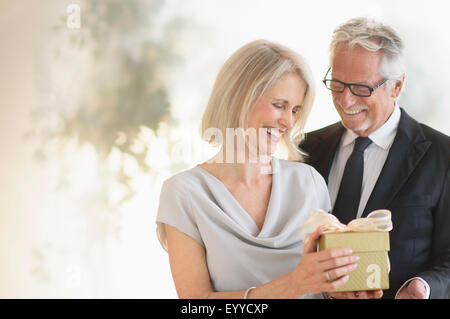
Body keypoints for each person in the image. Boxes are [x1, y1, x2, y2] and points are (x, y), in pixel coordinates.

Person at [156, 40, 360, 299]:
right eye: (279, 105)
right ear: (239, 97)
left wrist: (348, 290)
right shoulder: (184, 193)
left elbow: (327, 286)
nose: (288, 122)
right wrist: (292, 285)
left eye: (295, 110)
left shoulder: (308, 182)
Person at [300, 17, 450, 299]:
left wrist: (423, 286)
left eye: (360, 88)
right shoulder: (307, 148)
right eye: (337, 84)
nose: (345, 101)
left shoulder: (443, 156)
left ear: (396, 86)